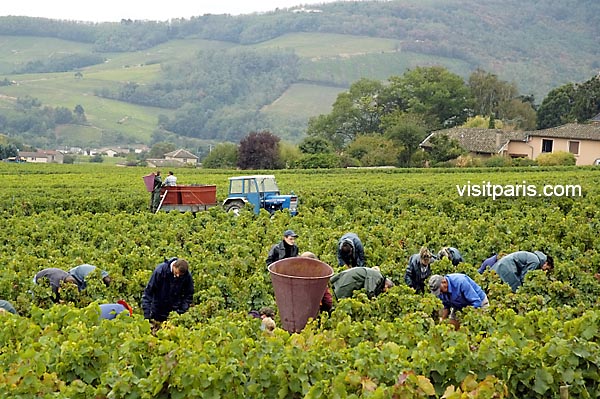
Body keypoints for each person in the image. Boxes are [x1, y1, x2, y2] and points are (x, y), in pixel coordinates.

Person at [141, 257, 194, 322]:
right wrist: (147, 315)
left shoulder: (187, 276)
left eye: (180, 275)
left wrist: (181, 310)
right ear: (174, 266)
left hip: (174, 313)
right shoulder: (160, 271)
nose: (178, 276)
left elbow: (189, 294)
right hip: (157, 310)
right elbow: (148, 292)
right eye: (176, 273)